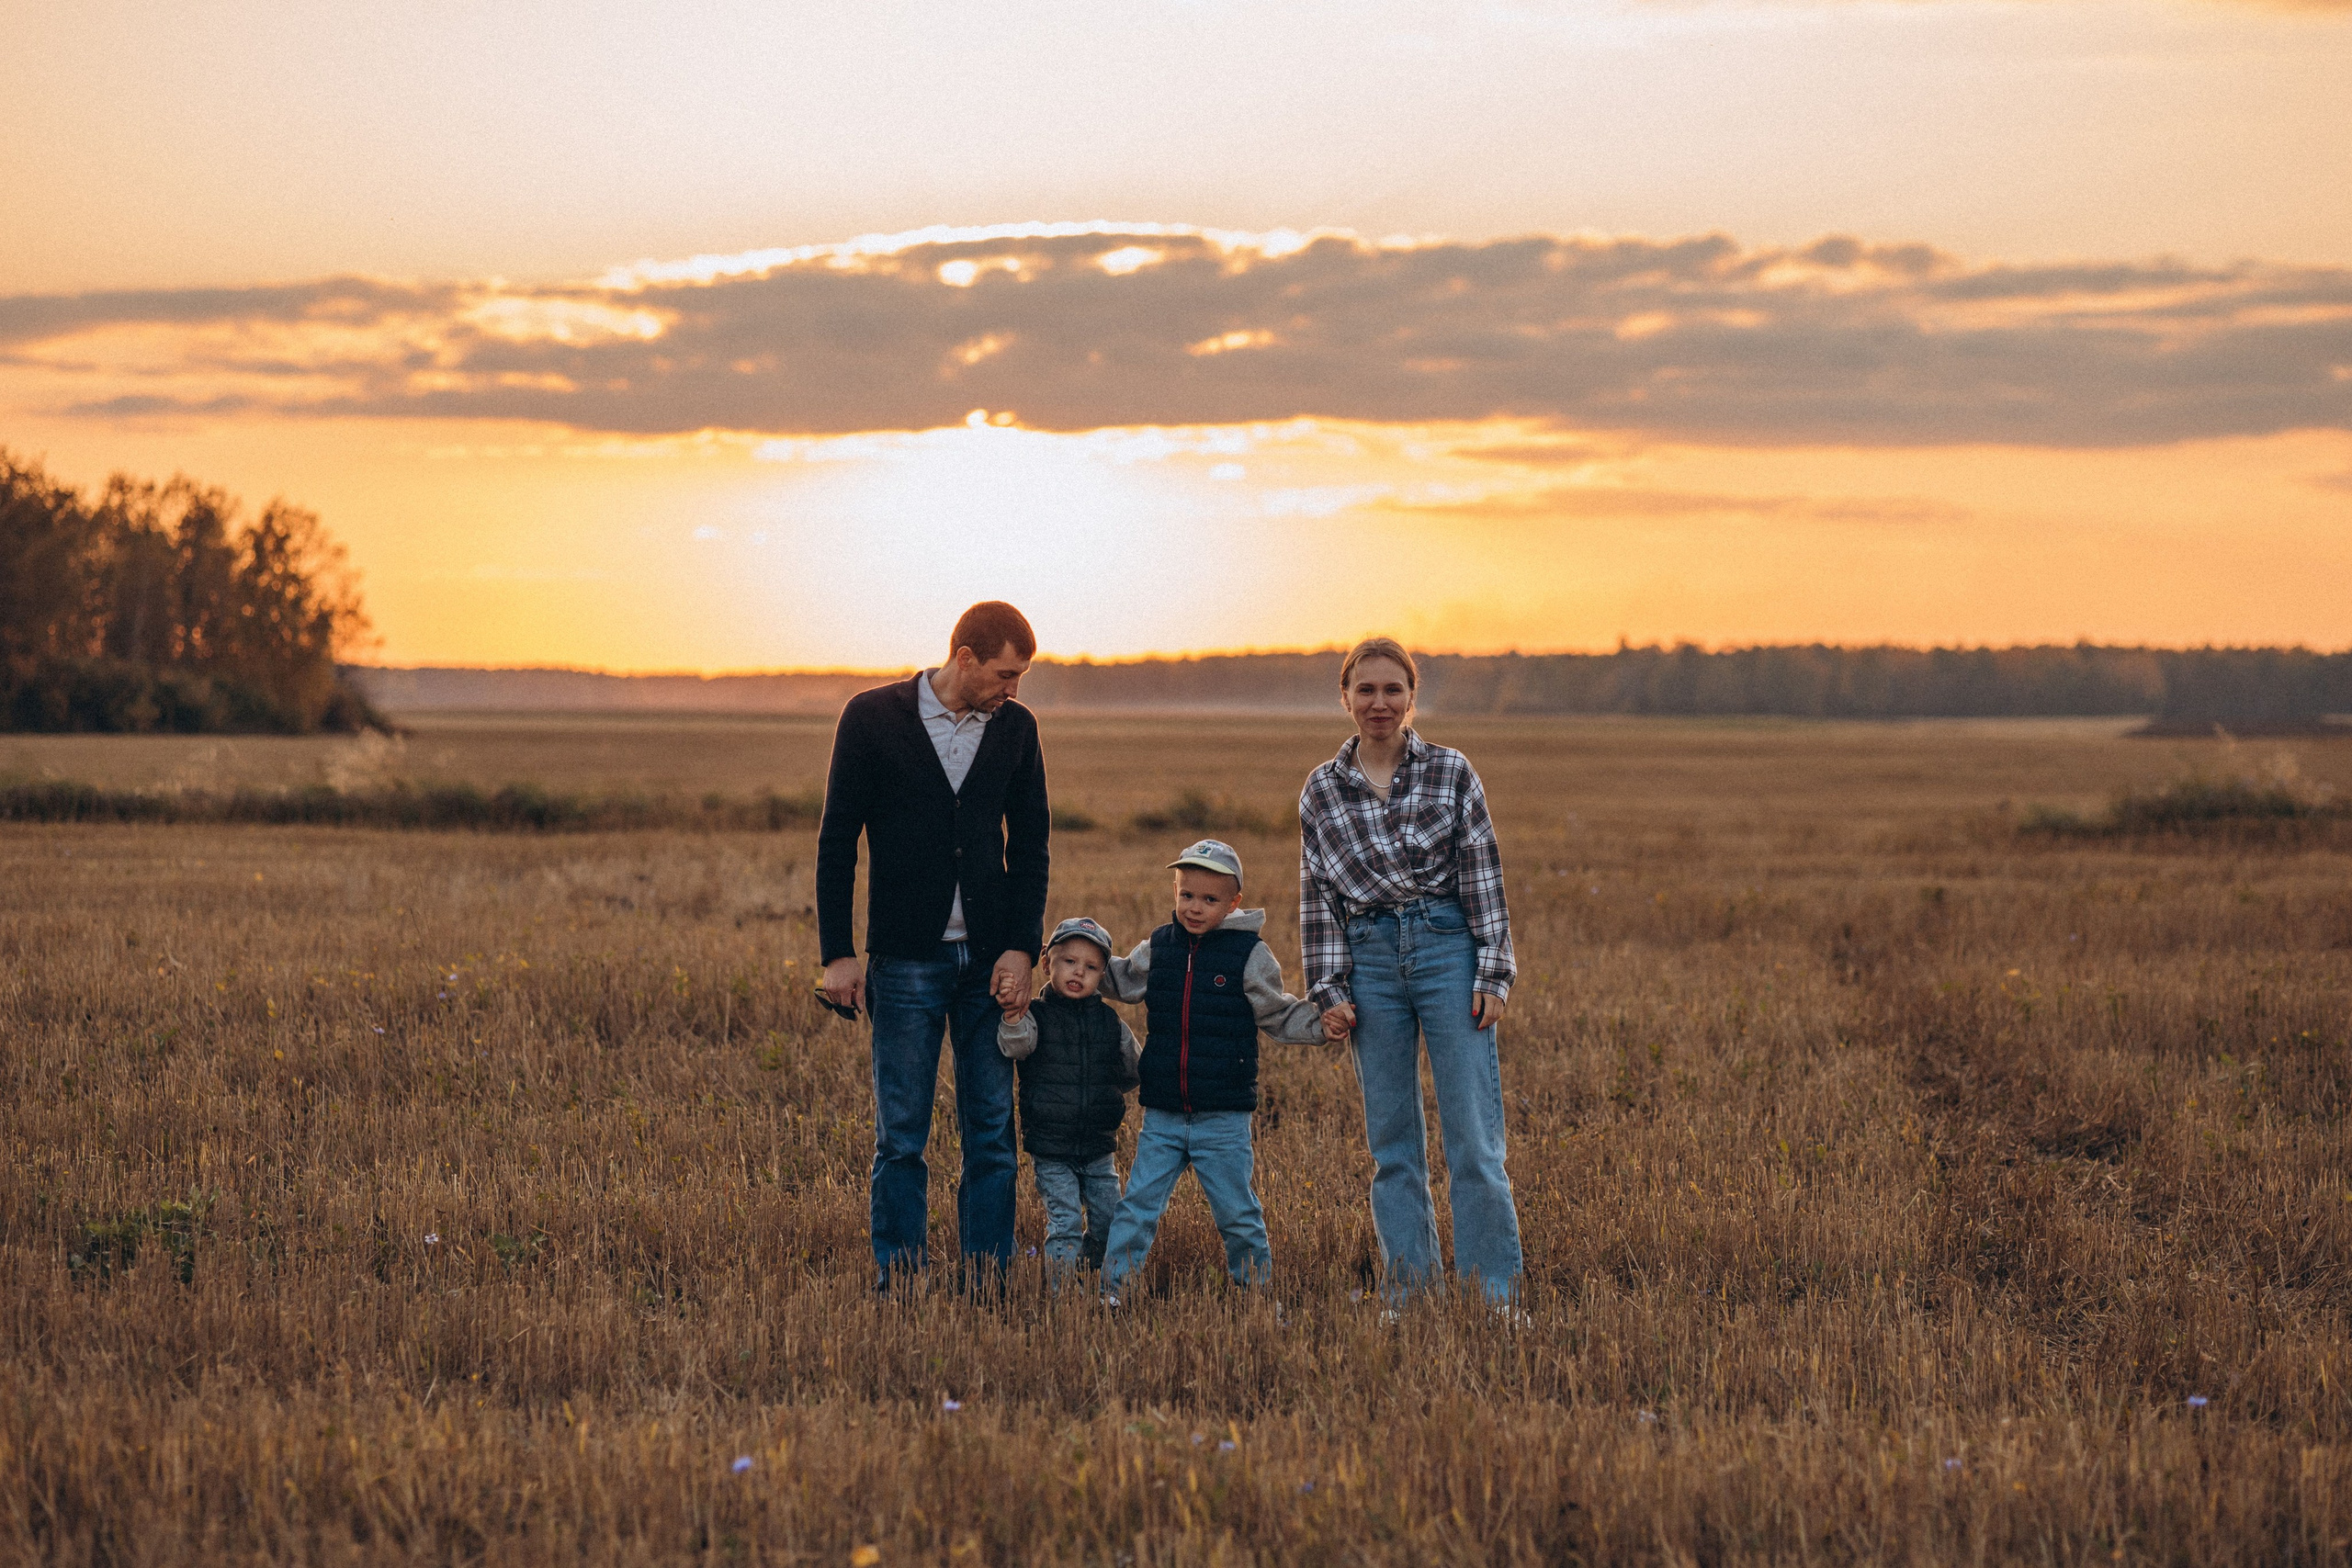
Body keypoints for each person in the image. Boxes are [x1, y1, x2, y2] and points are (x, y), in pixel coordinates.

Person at [817, 602, 1050, 1289]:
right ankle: (901, 1280)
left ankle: (987, 1281)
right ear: (966, 657)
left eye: (1023, 676)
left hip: (987, 964)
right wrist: (838, 951)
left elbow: (1031, 847)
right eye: (1007, 673)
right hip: (904, 959)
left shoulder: (1017, 729)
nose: (1014, 688)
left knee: (991, 1136)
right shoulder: (870, 716)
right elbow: (838, 842)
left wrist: (1021, 948)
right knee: (902, 1138)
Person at [1301, 637, 1525, 1306]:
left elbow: (1482, 873)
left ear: (1411, 696)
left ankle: (1494, 1300)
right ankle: (1411, 1297)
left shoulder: (1451, 770)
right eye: (1365, 690)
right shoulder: (1321, 788)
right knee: (1392, 1146)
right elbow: (1318, 896)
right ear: (1345, 697)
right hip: (1368, 960)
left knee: (1474, 1142)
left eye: (1392, 689)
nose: (1379, 703)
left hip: (1446, 949)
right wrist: (1329, 989)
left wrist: (1493, 972)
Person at [1096, 839, 1326, 1302]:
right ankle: (1113, 1293)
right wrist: (1072, 962)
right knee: (1136, 1208)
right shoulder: (1159, 947)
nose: (1194, 908)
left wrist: (1324, 1022)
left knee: (1237, 1213)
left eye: (1209, 899)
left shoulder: (1249, 955)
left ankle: (1256, 1296)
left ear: (1234, 902)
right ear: (1175, 891)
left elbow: (1278, 1014)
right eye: (1186, 895)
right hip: (1162, 1114)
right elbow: (1119, 978)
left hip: (1222, 1117)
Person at [995, 917, 1140, 1273]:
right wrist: (1012, 1020)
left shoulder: (1111, 1023)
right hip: (1051, 1148)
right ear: (1046, 963)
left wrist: (1105, 1090)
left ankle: (1087, 1268)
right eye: (1069, 962)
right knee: (1065, 1226)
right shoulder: (1035, 1015)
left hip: (1098, 1147)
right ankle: (1064, 1298)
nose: (1078, 973)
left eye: (1091, 967)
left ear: (1103, 975)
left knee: (1110, 1222)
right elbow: (1015, 1047)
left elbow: (1135, 1068)